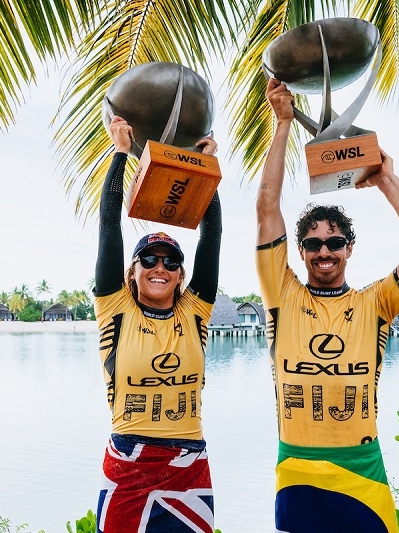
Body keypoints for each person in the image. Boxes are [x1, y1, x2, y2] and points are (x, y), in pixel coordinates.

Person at [256, 77, 399, 532]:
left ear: (349, 249)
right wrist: (283, 123)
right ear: (299, 251)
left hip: (363, 473)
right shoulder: (281, 295)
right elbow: (267, 208)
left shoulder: (376, 303)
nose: (325, 251)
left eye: (335, 242)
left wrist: (387, 180)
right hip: (297, 471)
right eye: (314, 243)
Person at [93, 115, 222, 533]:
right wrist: (119, 153)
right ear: (132, 271)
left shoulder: (195, 311)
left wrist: (205, 171)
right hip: (128, 461)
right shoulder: (115, 307)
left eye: (170, 261)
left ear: (182, 275)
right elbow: (109, 223)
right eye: (148, 260)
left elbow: (212, 236)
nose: (159, 267)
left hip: (188, 463)